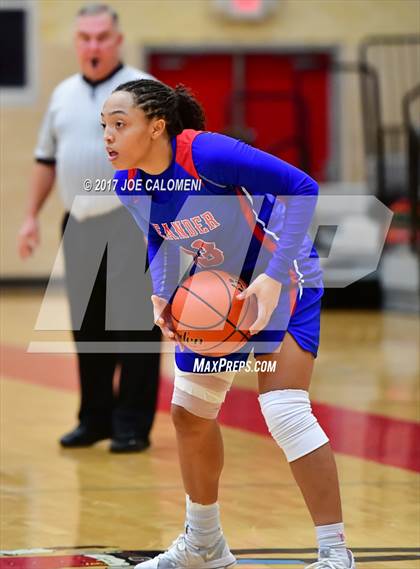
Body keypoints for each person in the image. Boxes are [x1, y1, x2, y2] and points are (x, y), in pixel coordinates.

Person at [102, 78, 356, 568]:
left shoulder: (208, 154)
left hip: (281, 273)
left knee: (284, 410)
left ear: (157, 127)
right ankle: (204, 547)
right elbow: (159, 239)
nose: (108, 137)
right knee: (189, 416)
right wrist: (161, 291)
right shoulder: (128, 182)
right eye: (104, 127)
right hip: (213, 286)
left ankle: (335, 554)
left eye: (119, 124)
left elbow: (303, 186)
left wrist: (274, 278)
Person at [17, 5, 161, 453]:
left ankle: (132, 423)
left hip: (131, 223)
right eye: (85, 37)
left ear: (117, 40)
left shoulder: (145, 89)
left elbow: (169, 163)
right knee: (89, 327)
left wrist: (157, 221)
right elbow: (46, 159)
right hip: (77, 223)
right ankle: (95, 418)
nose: (93, 45)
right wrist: (29, 217)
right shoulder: (61, 94)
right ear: (76, 43)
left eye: (102, 37)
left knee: (135, 329)